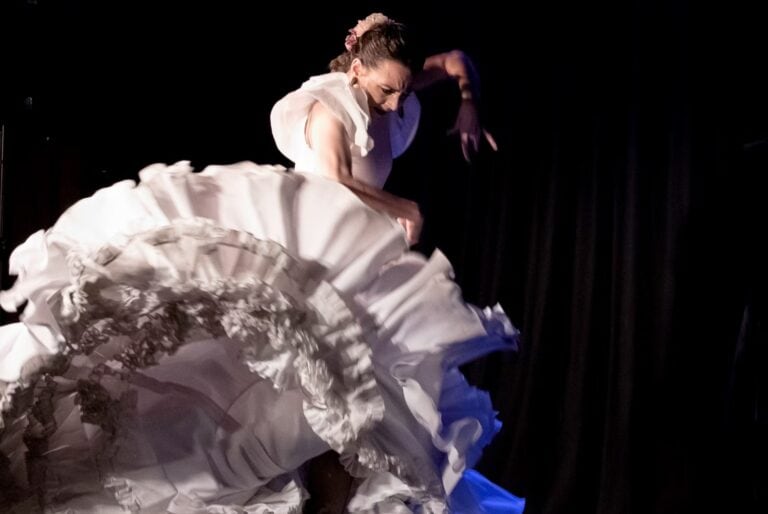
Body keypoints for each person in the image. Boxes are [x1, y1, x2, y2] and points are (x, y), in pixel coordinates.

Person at [0, 12, 523, 514]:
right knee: (304, 394)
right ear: (358, 70)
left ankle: (325, 492)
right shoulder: (329, 109)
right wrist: (403, 208)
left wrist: (467, 104)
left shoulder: (397, 81)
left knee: (356, 401)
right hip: (307, 254)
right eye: (387, 90)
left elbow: (456, 59)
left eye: (405, 91)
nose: (396, 103)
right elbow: (339, 180)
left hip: (347, 257)